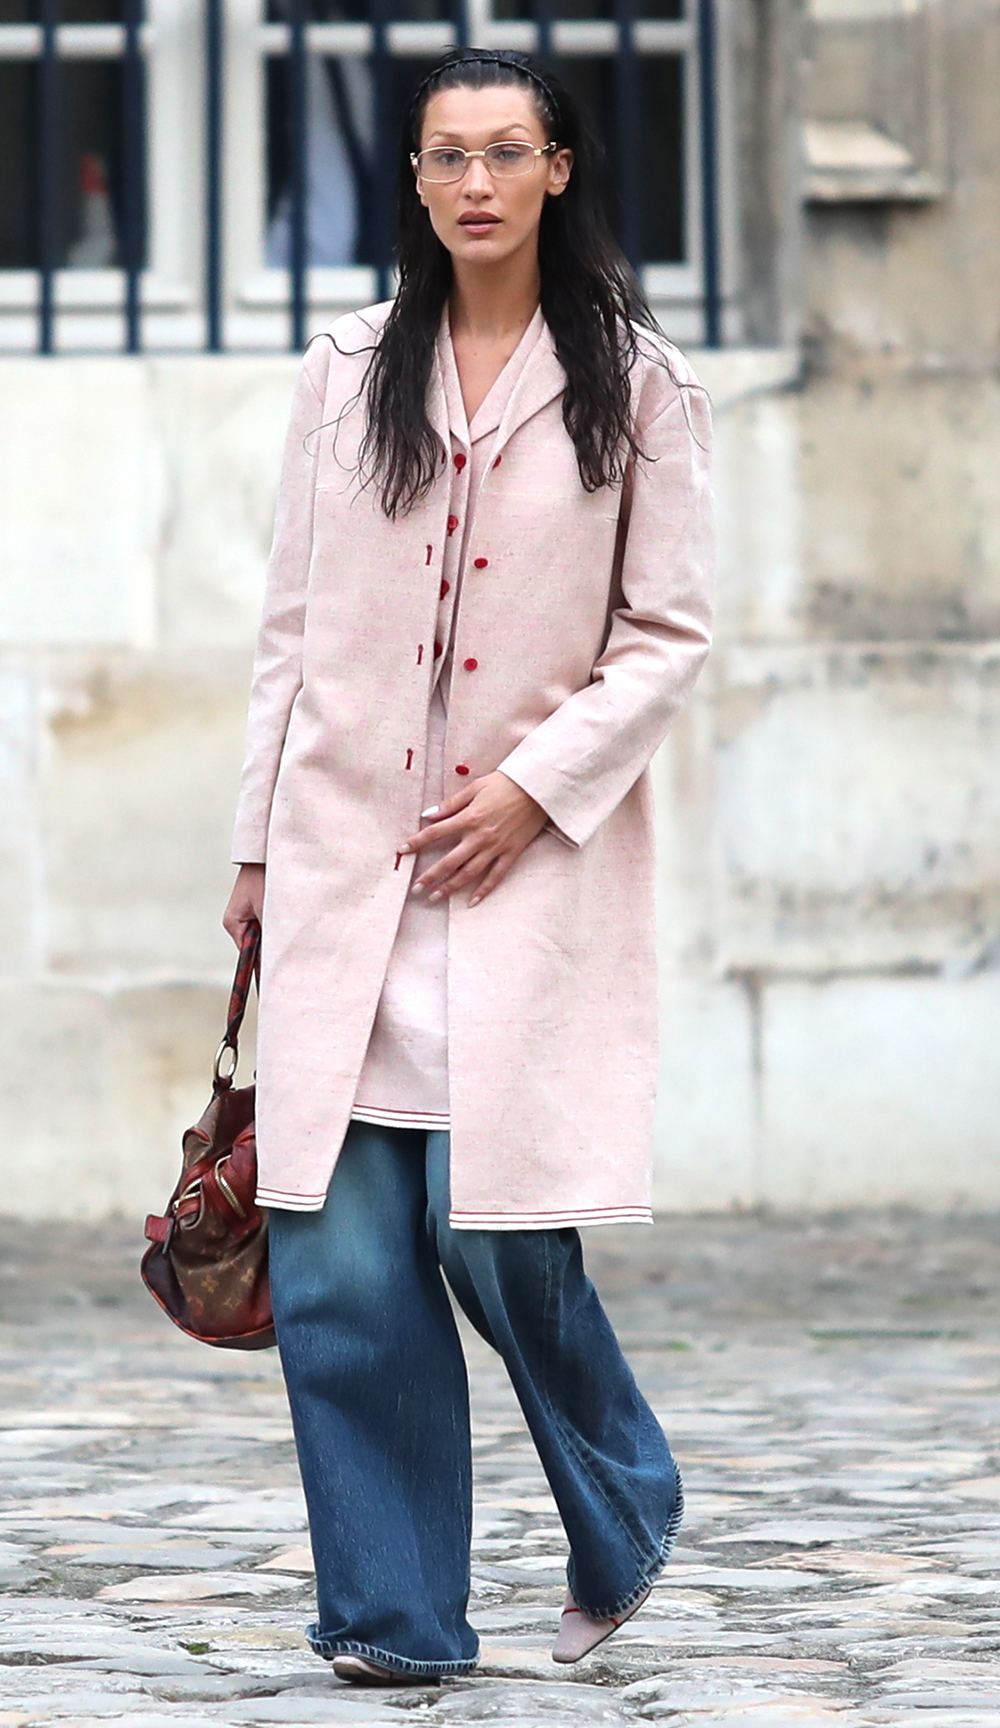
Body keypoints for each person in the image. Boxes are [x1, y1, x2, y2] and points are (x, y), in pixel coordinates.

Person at [224, 46, 713, 1688]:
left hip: (526, 877)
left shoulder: (640, 383)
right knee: (344, 1259)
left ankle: (624, 1491)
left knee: (500, 1226)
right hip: (340, 869)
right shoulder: (342, 369)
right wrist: (252, 853)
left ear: (559, 168)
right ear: (418, 182)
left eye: (509, 151)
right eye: (449, 157)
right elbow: (290, 636)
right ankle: (392, 1617)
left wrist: (533, 788)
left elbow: (666, 637)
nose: (478, 183)